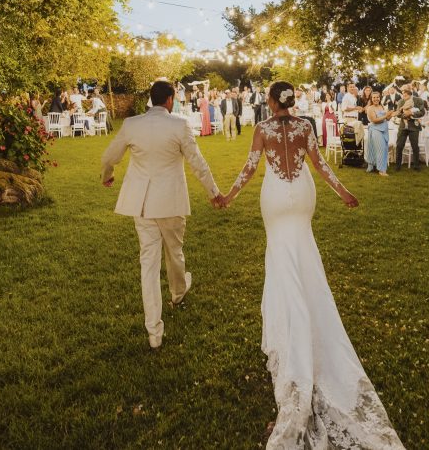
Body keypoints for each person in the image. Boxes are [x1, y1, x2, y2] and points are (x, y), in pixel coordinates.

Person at [216, 82, 404, 449]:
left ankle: (289, 322)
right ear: (293, 101)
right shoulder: (306, 127)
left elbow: (251, 168)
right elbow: (319, 165)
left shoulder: (262, 129)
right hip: (302, 196)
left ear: (271, 102)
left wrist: (228, 196)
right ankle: (306, 310)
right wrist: (344, 192)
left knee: (281, 257)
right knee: (304, 249)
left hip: (275, 198)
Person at [100, 81, 223, 349]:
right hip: (170, 202)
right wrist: (213, 192)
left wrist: (107, 176)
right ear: (170, 100)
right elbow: (197, 162)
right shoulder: (178, 125)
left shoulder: (132, 124)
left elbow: (109, 156)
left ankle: (154, 331)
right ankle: (178, 293)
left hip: (142, 204)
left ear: (150, 100)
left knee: (149, 264)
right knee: (175, 251)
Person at [364, 90, 394, 176]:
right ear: (371, 98)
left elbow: (386, 119)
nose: (376, 99)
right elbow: (374, 120)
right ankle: (381, 170)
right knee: (380, 149)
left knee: (384, 149)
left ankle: (375, 166)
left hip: (384, 130)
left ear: (380, 98)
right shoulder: (370, 108)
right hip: (375, 130)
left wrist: (391, 115)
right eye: (374, 97)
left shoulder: (382, 107)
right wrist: (386, 115)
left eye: (377, 97)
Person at [395, 87, 425, 170]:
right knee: (399, 145)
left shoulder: (418, 100)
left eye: (405, 93)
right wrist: (405, 115)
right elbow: (398, 113)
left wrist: (411, 113)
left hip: (414, 126)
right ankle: (398, 165)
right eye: (403, 93)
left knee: (415, 146)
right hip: (403, 126)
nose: (404, 95)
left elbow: (422, 112)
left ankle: (416, 165)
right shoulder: (401, 101)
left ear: (410, 93)